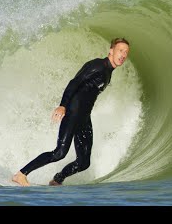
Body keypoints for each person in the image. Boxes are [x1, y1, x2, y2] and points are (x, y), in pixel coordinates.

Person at [12, 37, 130, 186]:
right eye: (120, 50)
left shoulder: (108, 71)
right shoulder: (98, 65)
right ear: (111, 51)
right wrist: (63, 106)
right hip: (73, 112)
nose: (123, 55)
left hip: (84, 118)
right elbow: (74, 82)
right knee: (59, 153)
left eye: (126, 52)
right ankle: (21, 174)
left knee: (84, 162)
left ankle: (57, 180)